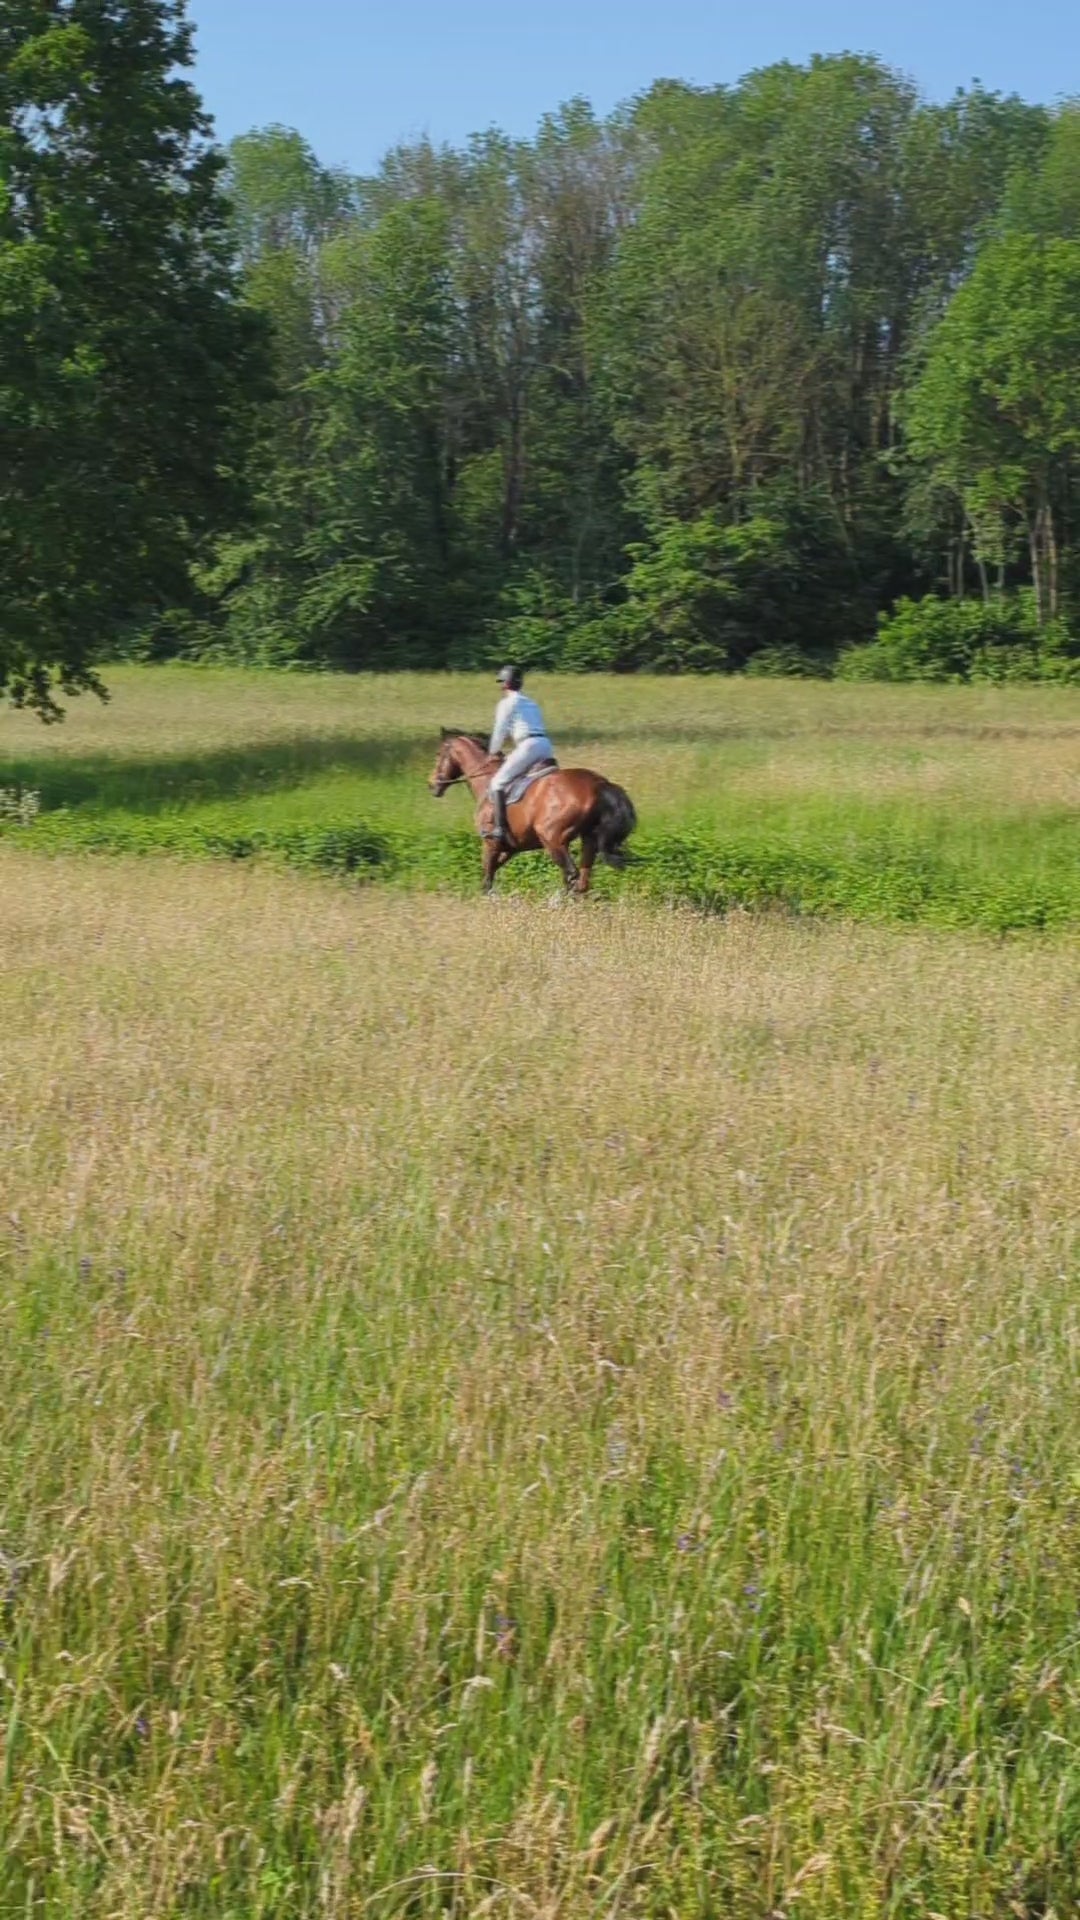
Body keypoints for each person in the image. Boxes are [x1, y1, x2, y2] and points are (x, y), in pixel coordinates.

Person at [486, 665, 556, 843]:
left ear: (505, 684)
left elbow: (500, 730)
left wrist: (493, 752)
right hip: (545, 744)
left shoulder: (506, 703)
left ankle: (500, 829)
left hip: (527, 746)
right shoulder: (531, 702)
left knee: (497, 782)